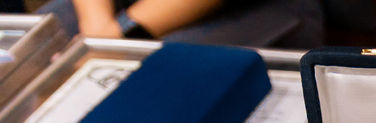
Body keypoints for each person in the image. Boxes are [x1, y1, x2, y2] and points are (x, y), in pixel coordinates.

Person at [37, 0, 324, 48]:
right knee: (39, 35)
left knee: (166, 69)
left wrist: (119, 36)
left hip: (265, 8)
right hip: (131, 8)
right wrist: (96, 26)